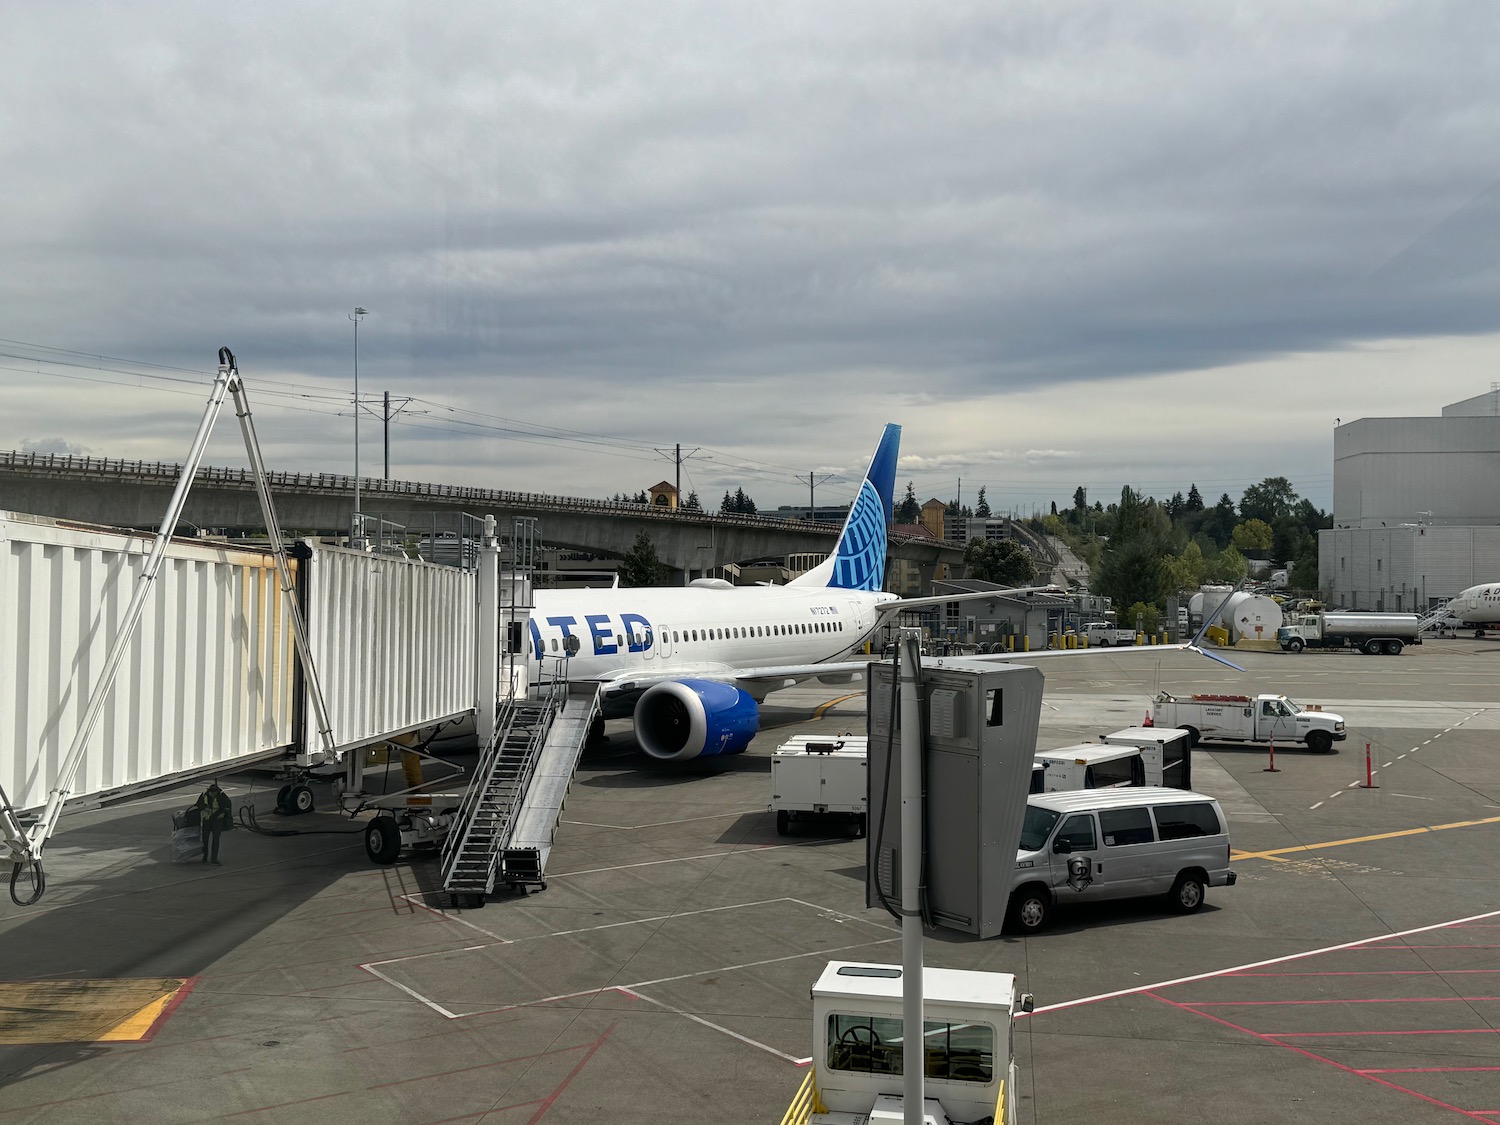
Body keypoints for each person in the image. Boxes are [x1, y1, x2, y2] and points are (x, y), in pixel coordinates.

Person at [193, 780, 231, 865]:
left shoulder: (222, 796)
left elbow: (225, 808)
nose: (213, 795)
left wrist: (216, 815)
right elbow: (198, 805)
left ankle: (214, 858)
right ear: (209, 792)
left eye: (214, 794)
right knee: (205, 839)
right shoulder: (204, 795)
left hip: (217, 821)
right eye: (211, 793)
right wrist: (203, 807)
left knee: (216, 839)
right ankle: (205, 856)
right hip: (207, 820)